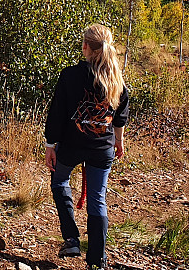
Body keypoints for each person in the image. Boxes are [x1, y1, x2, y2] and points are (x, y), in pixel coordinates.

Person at [44, 24, 129, 270]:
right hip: (102, 149)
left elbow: (57, 114)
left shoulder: (70, 75)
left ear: (85, 47)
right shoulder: (117, 78)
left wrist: (51, 144)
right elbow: (120, 117)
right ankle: (97, 261)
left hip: (70, 146)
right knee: (97, 199)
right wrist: (119, 142)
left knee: (59, 181)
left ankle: (71, 239)